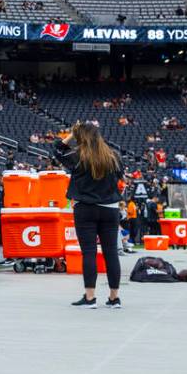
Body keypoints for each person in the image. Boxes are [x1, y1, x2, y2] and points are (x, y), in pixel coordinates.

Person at [55, 122, 123, 309]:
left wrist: (71, 134)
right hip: (110, 208)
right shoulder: (114, 156)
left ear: (81, 137)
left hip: (86, 208)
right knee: (111, 254)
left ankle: (90, 297)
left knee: (89, 253)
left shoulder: (77, 156)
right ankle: (114, 298)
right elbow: (120, 177)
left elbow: (57, 149)